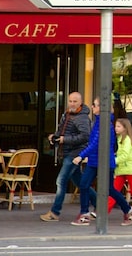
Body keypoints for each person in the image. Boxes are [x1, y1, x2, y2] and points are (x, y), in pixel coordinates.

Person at [72, 98, 132, 226]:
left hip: (104, 161)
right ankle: (84, 214)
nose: (92, 107)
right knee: (85, 184)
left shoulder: (105, 124)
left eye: (95, 105)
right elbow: (94, 143)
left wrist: (81, 155)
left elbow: (96, 143)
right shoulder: (100, 122)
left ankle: (128, 210)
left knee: (108, 189)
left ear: (101, 108)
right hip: (96, 160)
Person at [41, 92, 91, 222]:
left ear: (80, 102)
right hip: (67, 151)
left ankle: (55, 212)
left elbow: (85, 136)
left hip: (75, 152)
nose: (72, 104)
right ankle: (102, 206)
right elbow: (62, 131)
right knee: (80, 182)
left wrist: (65, 139)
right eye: (70, 101)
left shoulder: (83, 118)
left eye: (75, 101)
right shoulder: (67, 114)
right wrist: (55, 137)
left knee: (61, 181)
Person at [108, 117, 132, 224]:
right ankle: (105, 211)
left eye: (118, 126)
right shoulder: (120, 138)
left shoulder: (127, 140)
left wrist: (113, 161)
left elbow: (125, 155)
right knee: (114, 190)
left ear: (125, 128)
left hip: (128, 169)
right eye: (116, 126)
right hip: (122, 169)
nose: (116, 128)